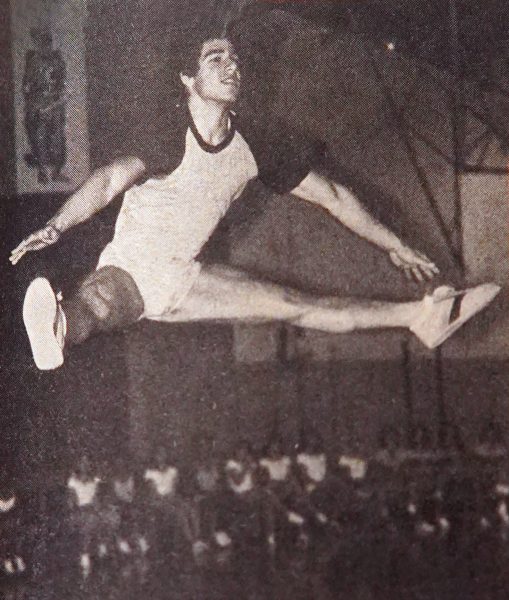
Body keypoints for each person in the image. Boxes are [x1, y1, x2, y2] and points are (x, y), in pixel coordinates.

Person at [11, 27, 500, 371]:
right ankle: (60, 328)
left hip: (177, 278)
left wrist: (392, 243)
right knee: (103, 297)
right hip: (135, 263)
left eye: (235, 59)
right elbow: (110, 179)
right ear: (188, 79)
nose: (231, 66)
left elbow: (333, 196)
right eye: (216, 59)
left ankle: (422, 317)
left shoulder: (255, 146)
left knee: (297, 305)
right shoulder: (168, 134)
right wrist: (60, 221)